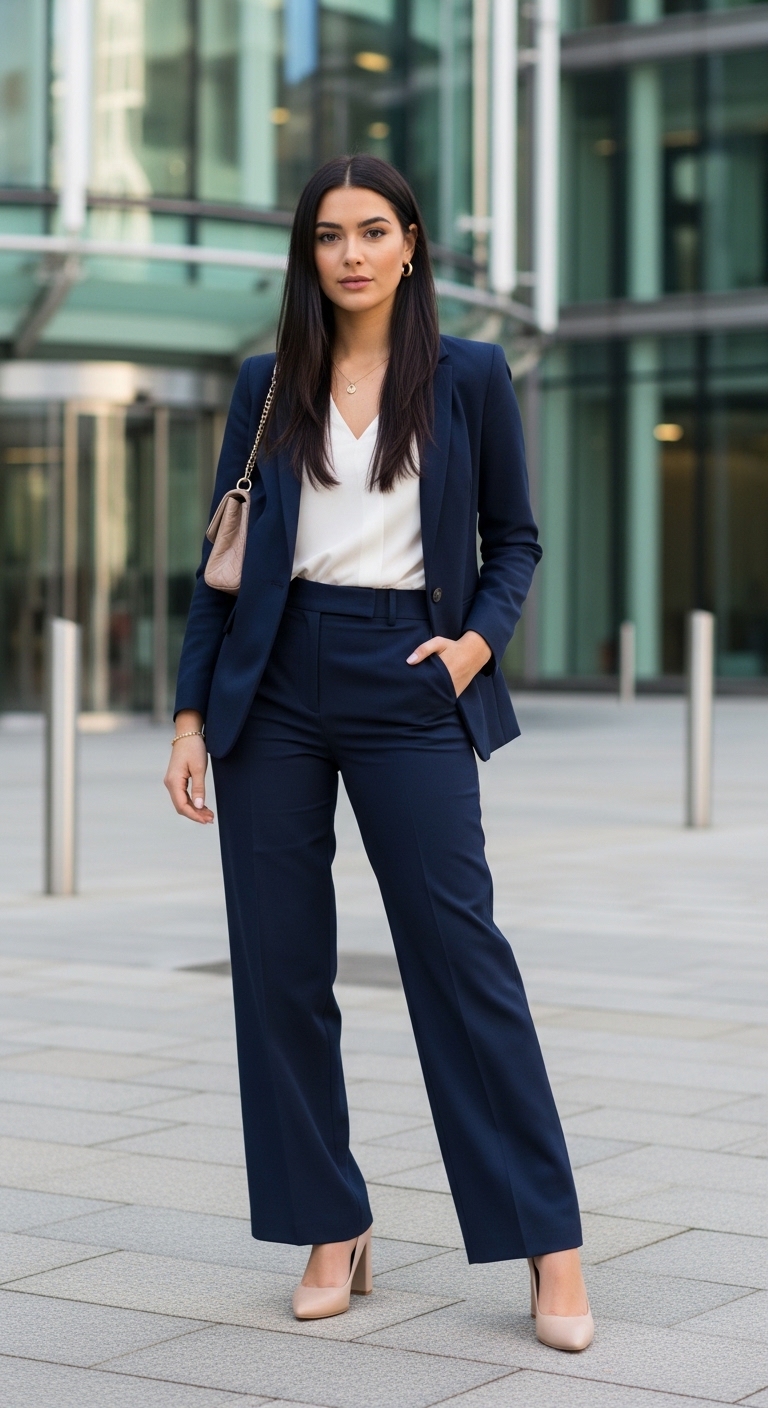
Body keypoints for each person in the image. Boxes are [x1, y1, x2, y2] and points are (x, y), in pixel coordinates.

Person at [165, 154, 593, 1352]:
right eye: (327, 235)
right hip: (275, 682)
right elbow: (222, 570)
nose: (349, 252)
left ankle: (549, 1241)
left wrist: (472, 646)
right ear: (308, 255)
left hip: (410, 672)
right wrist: (193, 717)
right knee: (280, 967)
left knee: (460, 957)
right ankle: (330, 1221)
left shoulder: (468, 376)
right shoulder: (268, 385)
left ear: (410, 244)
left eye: (372, 231)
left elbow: (514, 538)